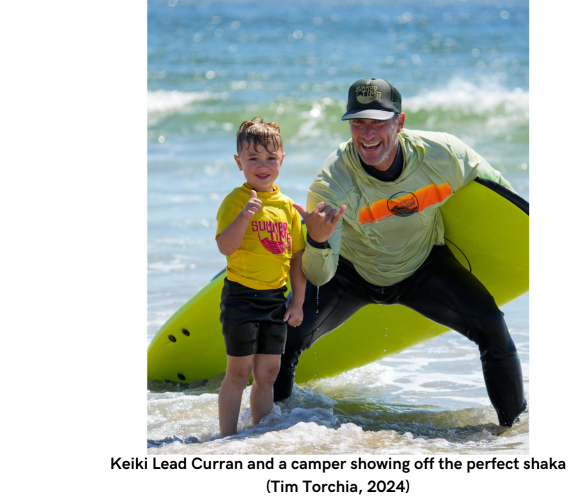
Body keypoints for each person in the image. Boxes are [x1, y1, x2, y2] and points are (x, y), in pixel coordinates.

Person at [274, 79, 526, 428]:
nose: (366, 133)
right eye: (358, 122)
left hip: (422, 267)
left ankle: (512, 432)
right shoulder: (331, 185)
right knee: (287, 337)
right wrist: (317, 240)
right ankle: (278, 427)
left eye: (377, 121)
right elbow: (319, 276)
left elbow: (501, 195)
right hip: (351, 273)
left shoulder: (443, 155)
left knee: (493, 328)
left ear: (400, 122)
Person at [215, 117, 306, 436]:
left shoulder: (287, 208)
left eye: (270, 157)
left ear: (282, 160)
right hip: (241, 297)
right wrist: (244, 216)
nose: (262, 165)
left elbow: (296, 258)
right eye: (253, 158)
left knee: (268, 373)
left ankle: (259, 435)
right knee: (238, 372)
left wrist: (298, 302)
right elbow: (225, 247)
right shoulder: (235, 201)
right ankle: (226, 437)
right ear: (239, 163)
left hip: (275, 300)